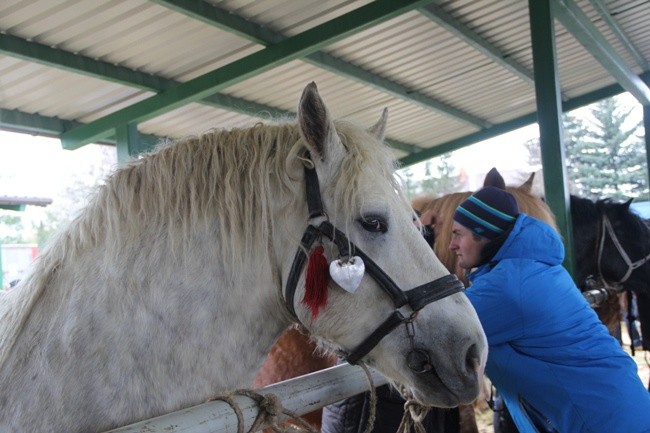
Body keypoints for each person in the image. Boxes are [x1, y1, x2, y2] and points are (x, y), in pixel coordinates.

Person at [450, 184, 650, 433]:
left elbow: (435, 328)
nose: (451, 245)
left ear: (484, 234)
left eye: (458, 234)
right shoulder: (532, 267)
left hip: (596, 421)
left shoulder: (508, 286)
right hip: (615, 408)